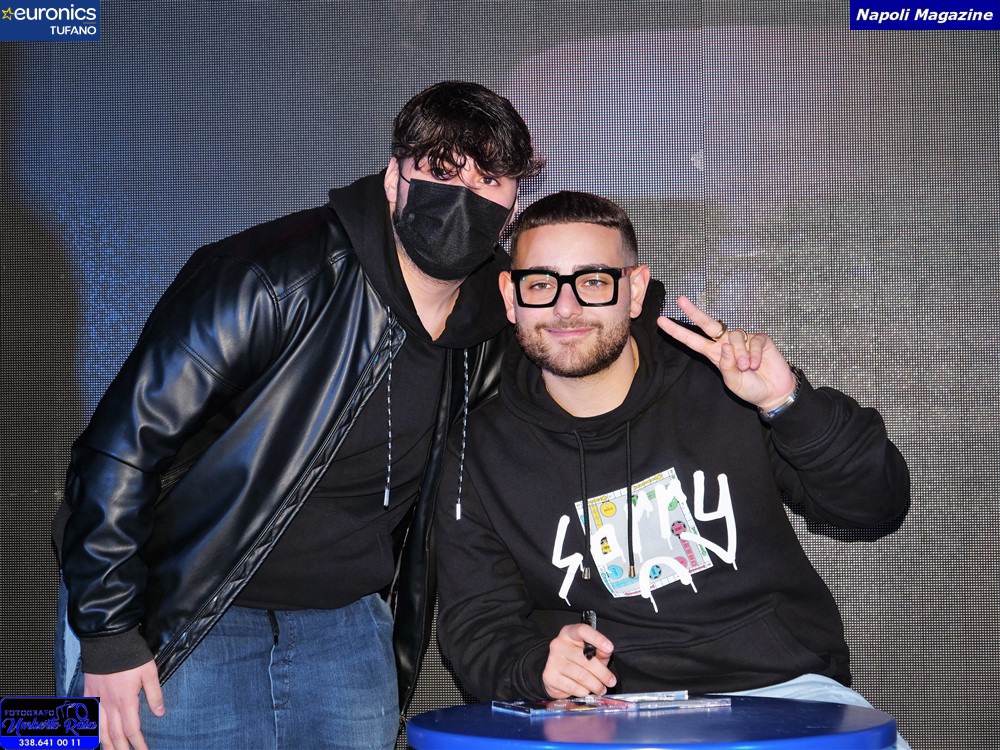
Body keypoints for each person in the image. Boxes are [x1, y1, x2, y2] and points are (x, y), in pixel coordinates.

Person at [52, 80, 543, 750]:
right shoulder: (269, 276)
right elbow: (120, 449)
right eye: (441, 170)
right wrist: (110, 633)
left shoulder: (499, 320)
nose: (464, 197)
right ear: (395, 177)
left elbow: (591, 346)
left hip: (346, 631)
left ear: (512, 206)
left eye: (489, 181)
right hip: (187, 611)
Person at [434, 191, 912, 747]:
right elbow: (476, 623)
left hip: (786, 691)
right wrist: (534, 666)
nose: (565, 308)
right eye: (541, 284)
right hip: (600, 714)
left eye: (593, 281)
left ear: (635, 290)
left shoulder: (725, 384)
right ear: (510, 297)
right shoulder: (480, 450)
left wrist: (788, 404)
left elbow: (876, 505)